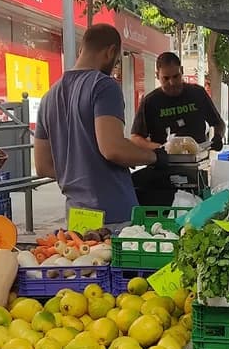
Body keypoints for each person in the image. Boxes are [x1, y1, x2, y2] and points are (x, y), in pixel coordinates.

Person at [34, 24, 167, 226]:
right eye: (116, 62)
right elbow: (113, 149)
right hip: (113, 214)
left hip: (77, 217)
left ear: (81, 50)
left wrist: (79, 171)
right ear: (111, 52)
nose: (114, 67)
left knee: (86, 258)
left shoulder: (49, 96)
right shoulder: (104, 86)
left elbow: (43, 166)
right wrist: (154, 157)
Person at [130, 52, 225, 151]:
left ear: (182, 71)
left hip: (196, 160)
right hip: (164, 162)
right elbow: (135, 138)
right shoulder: (150, 102)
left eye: (176, 76)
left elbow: (218, 123)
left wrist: (218, 137)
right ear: (158, 76)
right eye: (166, 78)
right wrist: (161, 148)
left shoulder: (198, 94)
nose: (172, 83)